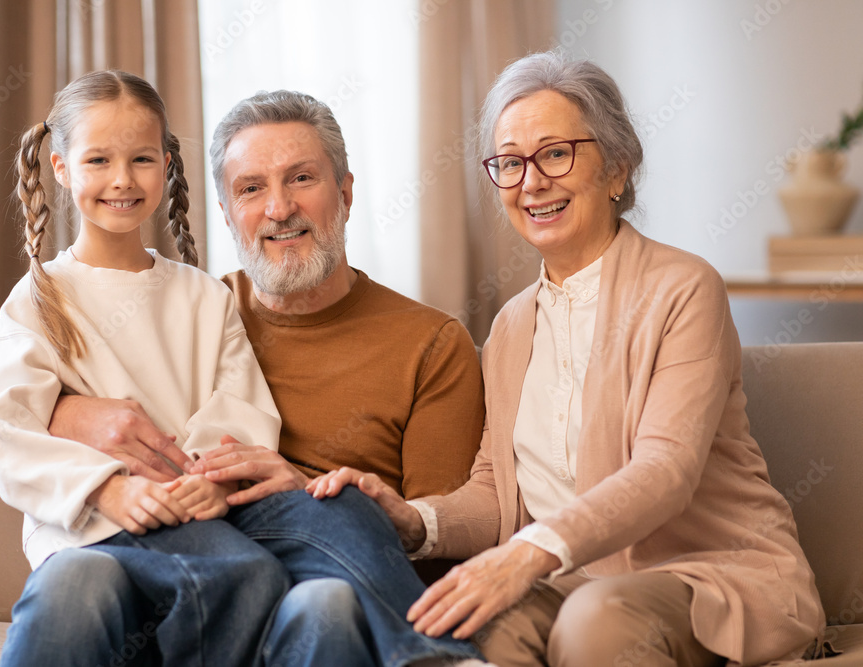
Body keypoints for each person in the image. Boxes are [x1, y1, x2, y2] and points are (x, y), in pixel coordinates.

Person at [308, 51, 827, 666]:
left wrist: (527, 555)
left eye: (555, 154)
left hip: (710, 578)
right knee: (473, 624)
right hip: (574, 583)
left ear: (617, 169)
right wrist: (414, 521)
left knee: (595, 622)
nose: (530, 182)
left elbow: (666, 470)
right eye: (509, 163)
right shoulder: (509, 327)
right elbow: (497, 490)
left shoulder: (683, 289)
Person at [0, 73, 487, 667]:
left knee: (341, 509)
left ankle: (432, 656)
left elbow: (237, 403)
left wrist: (207, 476)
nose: (121, 179)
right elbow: (0, 421)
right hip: (101, 513)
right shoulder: (42, 297)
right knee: (237, 572)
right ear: (60, 168)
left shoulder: (203, 295)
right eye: (99, 160)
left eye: (140, 159)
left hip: (215, 501)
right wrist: (103, 480)